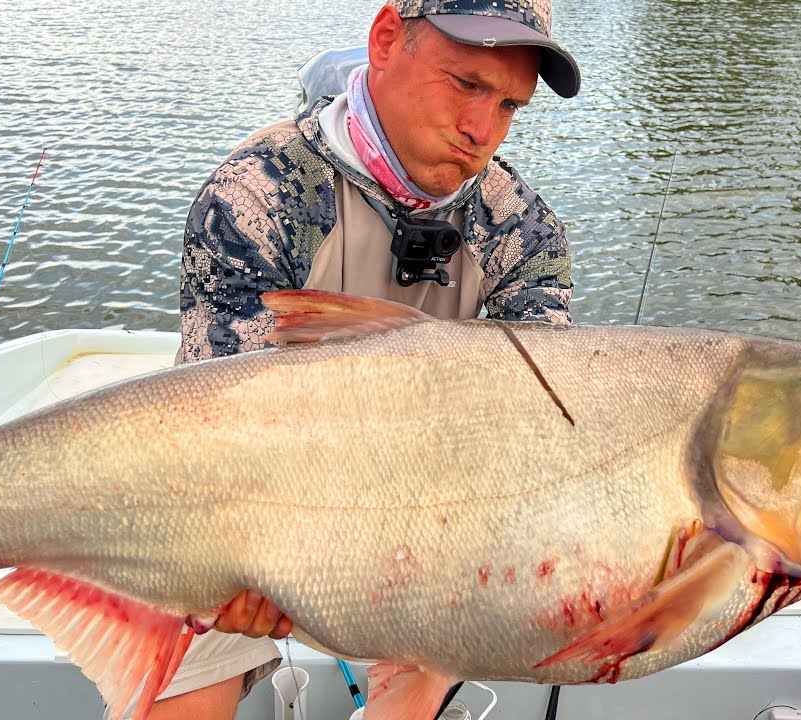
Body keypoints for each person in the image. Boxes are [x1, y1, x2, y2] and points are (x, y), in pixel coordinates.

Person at [147, 0, 581, 717]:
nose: (484, 130)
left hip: (438, 520)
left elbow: (524, 442)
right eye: (467, 84)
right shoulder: (258, 195)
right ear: (385, 39)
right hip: (250, 506)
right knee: (194, 666)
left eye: (510, 104)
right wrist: (267, 560)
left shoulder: (522, 234)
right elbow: (226, 437)